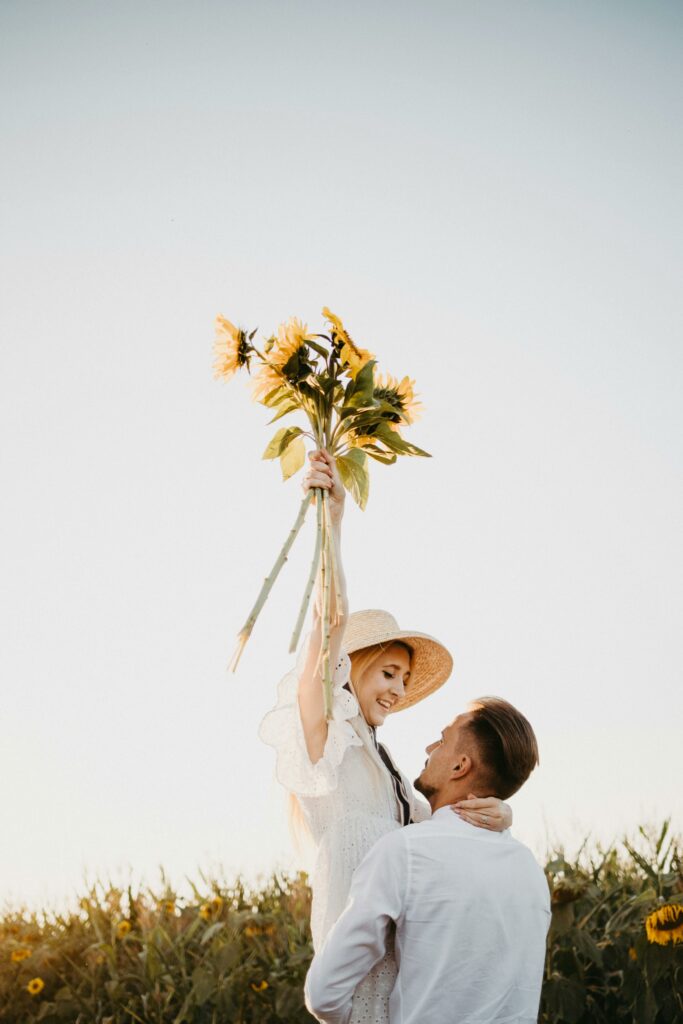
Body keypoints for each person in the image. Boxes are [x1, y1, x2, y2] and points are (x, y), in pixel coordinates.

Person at [260, 450, 513, 1024]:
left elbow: (444, 843)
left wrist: (500, 817)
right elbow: (327, 622)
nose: (398, 690)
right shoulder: (325, 741)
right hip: (355, 967)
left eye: (404, 678)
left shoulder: (393, 771)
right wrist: (332, 524)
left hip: (409, 972)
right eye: (388, 673)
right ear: (351, 668)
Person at [304, 697, 550, 1024]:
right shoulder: (531, 871)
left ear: (460, 766)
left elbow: (323, 994)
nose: (429, 748)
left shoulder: (404, 852)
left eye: (442, 740)